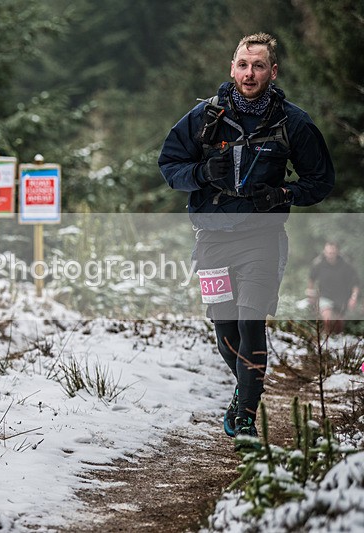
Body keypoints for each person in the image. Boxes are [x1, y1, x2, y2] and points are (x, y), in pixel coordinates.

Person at [158, 33, 334, 449]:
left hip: (262, 238)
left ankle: (246, 417)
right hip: (213, 239)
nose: (249, 73)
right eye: (243, 65)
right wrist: (201, 175)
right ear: (231, 68)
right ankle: (246, 386)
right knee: (225, 330)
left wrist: (284, 194)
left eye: (258, 66)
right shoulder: (204, 118)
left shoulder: (294, 122)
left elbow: (321, 180)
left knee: (251, 320)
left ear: (273, 72)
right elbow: (169, 164)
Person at [307, 240, 360, 334]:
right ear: (324, 252)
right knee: (327, 319)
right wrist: (310, 293)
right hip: (325, 296)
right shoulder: (318, 264)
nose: (330, 255)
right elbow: (311, 279)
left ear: (337, 252)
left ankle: (336, 343)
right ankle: (326, 341)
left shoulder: (346, 265)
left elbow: (355, 283)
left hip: (342, 298)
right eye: (328, 252)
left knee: (338, 326)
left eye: (332, 252)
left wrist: (353, 298)